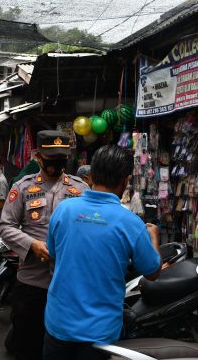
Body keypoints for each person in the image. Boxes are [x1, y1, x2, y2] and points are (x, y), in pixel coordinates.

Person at [43, 145, 162, 360]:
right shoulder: (131, 223)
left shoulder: (63, 210)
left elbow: (52, 253)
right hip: (99, 333)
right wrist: (154, 236)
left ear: (91, 176)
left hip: (58, 323)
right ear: (125, 181)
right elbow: (152, 272)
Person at [0, 130, 89, 360]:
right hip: (32, 283)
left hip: (68, 284)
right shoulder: (22, 187)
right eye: (51, 159)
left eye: (62, 160)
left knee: (62, 348)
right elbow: (6, 227)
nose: (57, 165)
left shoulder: (80, 189)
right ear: (38, 156)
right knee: (27, 344)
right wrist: (32, 245)